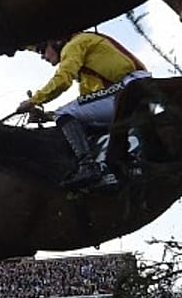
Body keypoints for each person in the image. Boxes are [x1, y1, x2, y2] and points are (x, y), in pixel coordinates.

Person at [14, 31, 150, 187]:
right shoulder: (87, 66)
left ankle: (88, 167)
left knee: (63, 112)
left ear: (56, 41)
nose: (43, 57)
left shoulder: (74, 44)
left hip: (129, 88)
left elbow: (63, 80)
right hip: (129, 90)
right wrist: (46, 117)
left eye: (41, 50)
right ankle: (112, 168)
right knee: (78, 121)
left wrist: (32, 101)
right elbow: (85, 109)